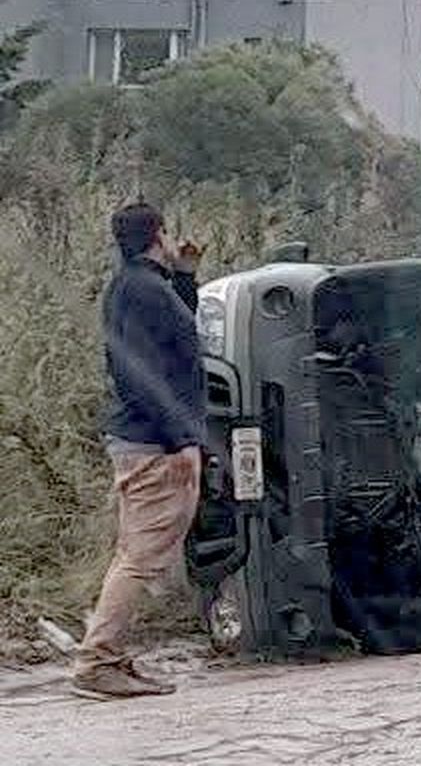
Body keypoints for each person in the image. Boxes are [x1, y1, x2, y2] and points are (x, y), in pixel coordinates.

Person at [72, 203, 206, 701]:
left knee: (135, 555)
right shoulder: (144, 291)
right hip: (153, 445)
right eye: (169, 232)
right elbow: (145, 375)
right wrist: (182, 441)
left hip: (142, 439)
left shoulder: (139, 287)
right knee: (141, 560)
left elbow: (176, 340)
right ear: (158, 235)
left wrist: (187, 277)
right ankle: (97, 662)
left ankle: (107, 658)